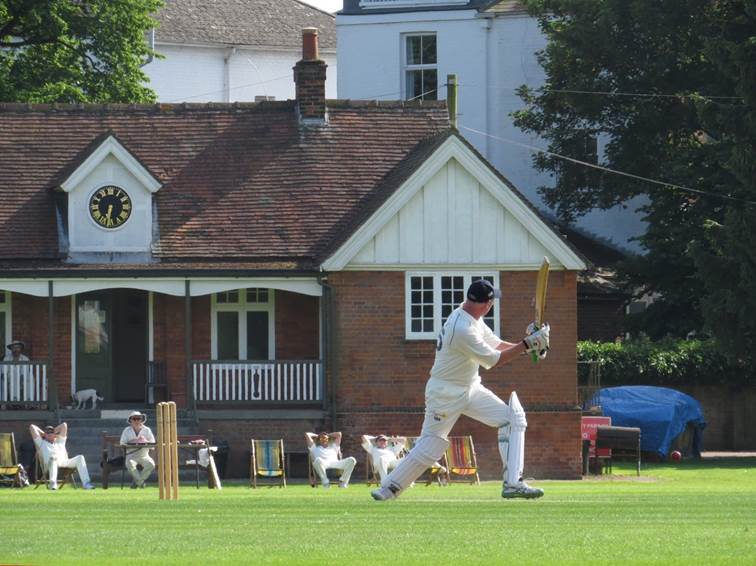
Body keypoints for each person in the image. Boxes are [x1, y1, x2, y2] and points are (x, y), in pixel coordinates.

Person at [371, 279, 550, 501]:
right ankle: (388, 488)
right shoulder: (462, 329)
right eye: (492, 301)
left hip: (470, 388)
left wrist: (530, 344)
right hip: (445, 393)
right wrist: (527, 344)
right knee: (431, 443)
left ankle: (513, 483)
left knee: (513, 418)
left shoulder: (471, 318)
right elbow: (494, 360)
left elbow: (494, 344)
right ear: (487, 304)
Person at [29, 422, 95, 490]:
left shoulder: (60, 441)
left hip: (64, 462)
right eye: (47, 432)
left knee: (80, 457)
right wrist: (43, 433)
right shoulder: (41, 443)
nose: (49, 433)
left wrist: (53, 432)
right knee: (53, 458)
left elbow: (64, 425)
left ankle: (86, 484)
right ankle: (53, 484)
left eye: (51, 432)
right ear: (44, 435)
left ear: (55, 434)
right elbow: (32, 427)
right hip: (50, 463)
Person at [120, 411, 155, 488]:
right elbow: (122, 443)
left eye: (138, 418)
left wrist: (145, 441)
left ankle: (136, 482)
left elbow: (153, 444)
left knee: (151, 464)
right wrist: (134, 441)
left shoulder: (147, 430)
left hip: (144, 456)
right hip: (131, 456)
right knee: (130, 465)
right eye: (134, 419)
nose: (136, 421)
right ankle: (141, 483)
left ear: (142, 420)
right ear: (130, 420)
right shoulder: (126, 430)